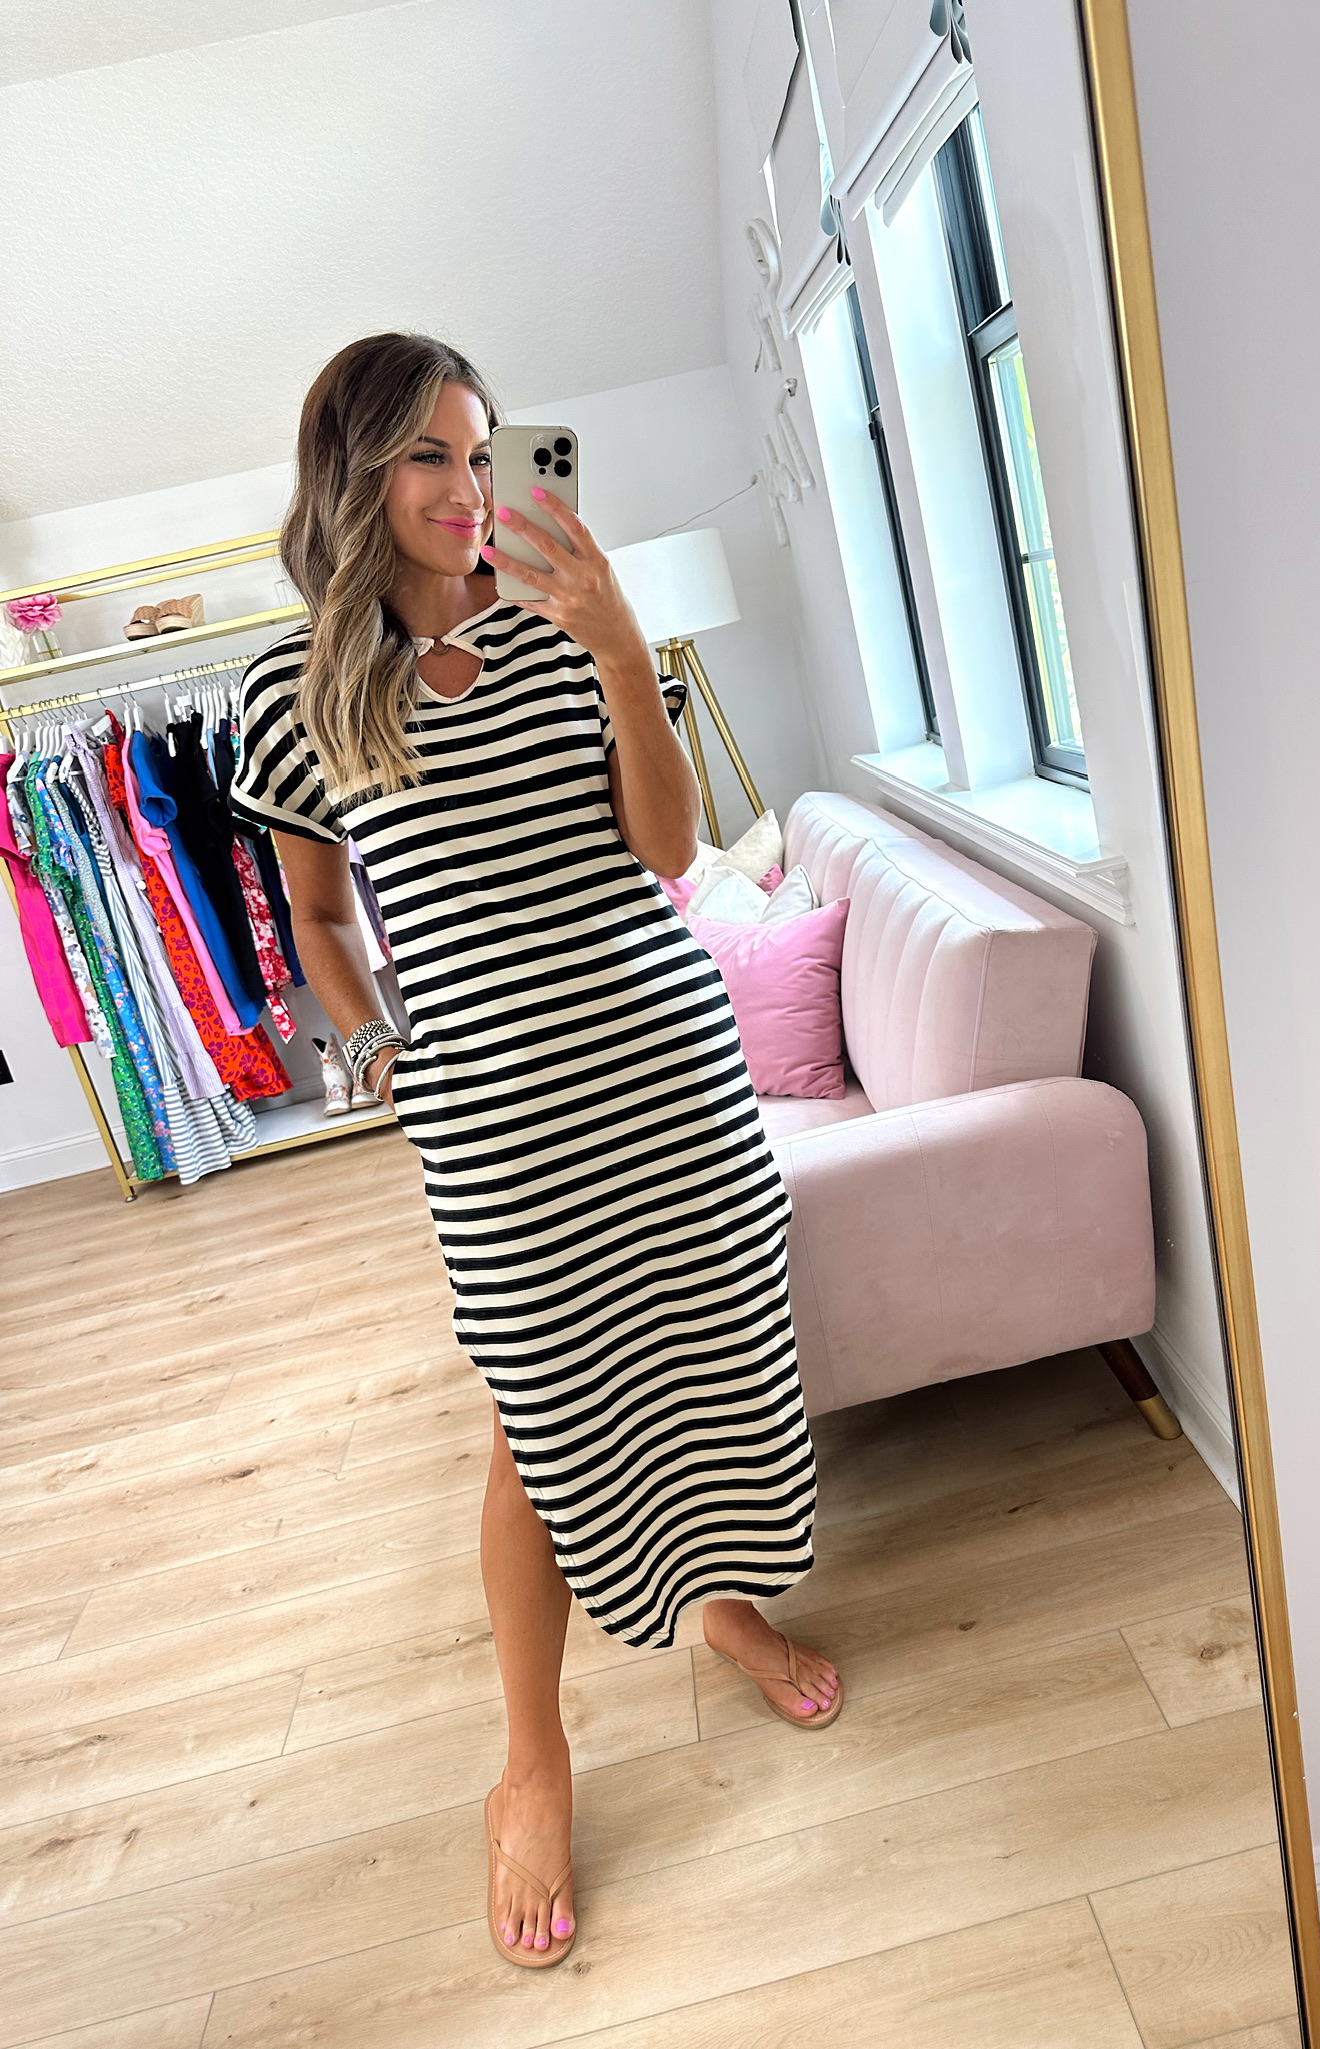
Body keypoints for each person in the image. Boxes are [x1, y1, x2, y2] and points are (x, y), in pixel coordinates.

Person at [229, 333, 841, 1971]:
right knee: (536, 1426)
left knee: (710, 1356)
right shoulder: (293, 694)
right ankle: (532, 1758)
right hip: (492, 1124)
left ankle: (721, 1601)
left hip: (666, 1075)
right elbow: (316, 921)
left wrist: (621, 646)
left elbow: (667, 846)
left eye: (484, 451)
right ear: (357, 474)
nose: (467, 486)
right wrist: (372, 1050)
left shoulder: (574, 621)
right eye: (428, 456)